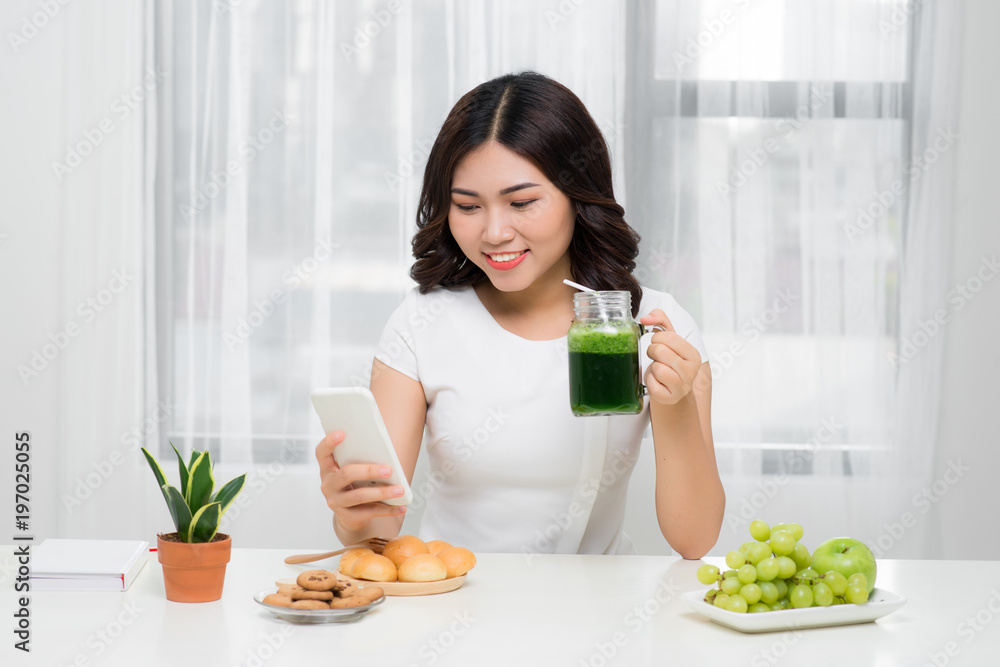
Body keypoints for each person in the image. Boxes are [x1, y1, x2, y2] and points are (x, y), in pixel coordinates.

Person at [316, 72, 724, 558]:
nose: (494, 232)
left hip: (598, 616)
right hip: (453, 605)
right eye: (468, 206)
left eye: (522, 202)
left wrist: (674, 401)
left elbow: (695, 540)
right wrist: (350, 512)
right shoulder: (421, 323)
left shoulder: (652, 325)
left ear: (578, 195)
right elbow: (378, 533)